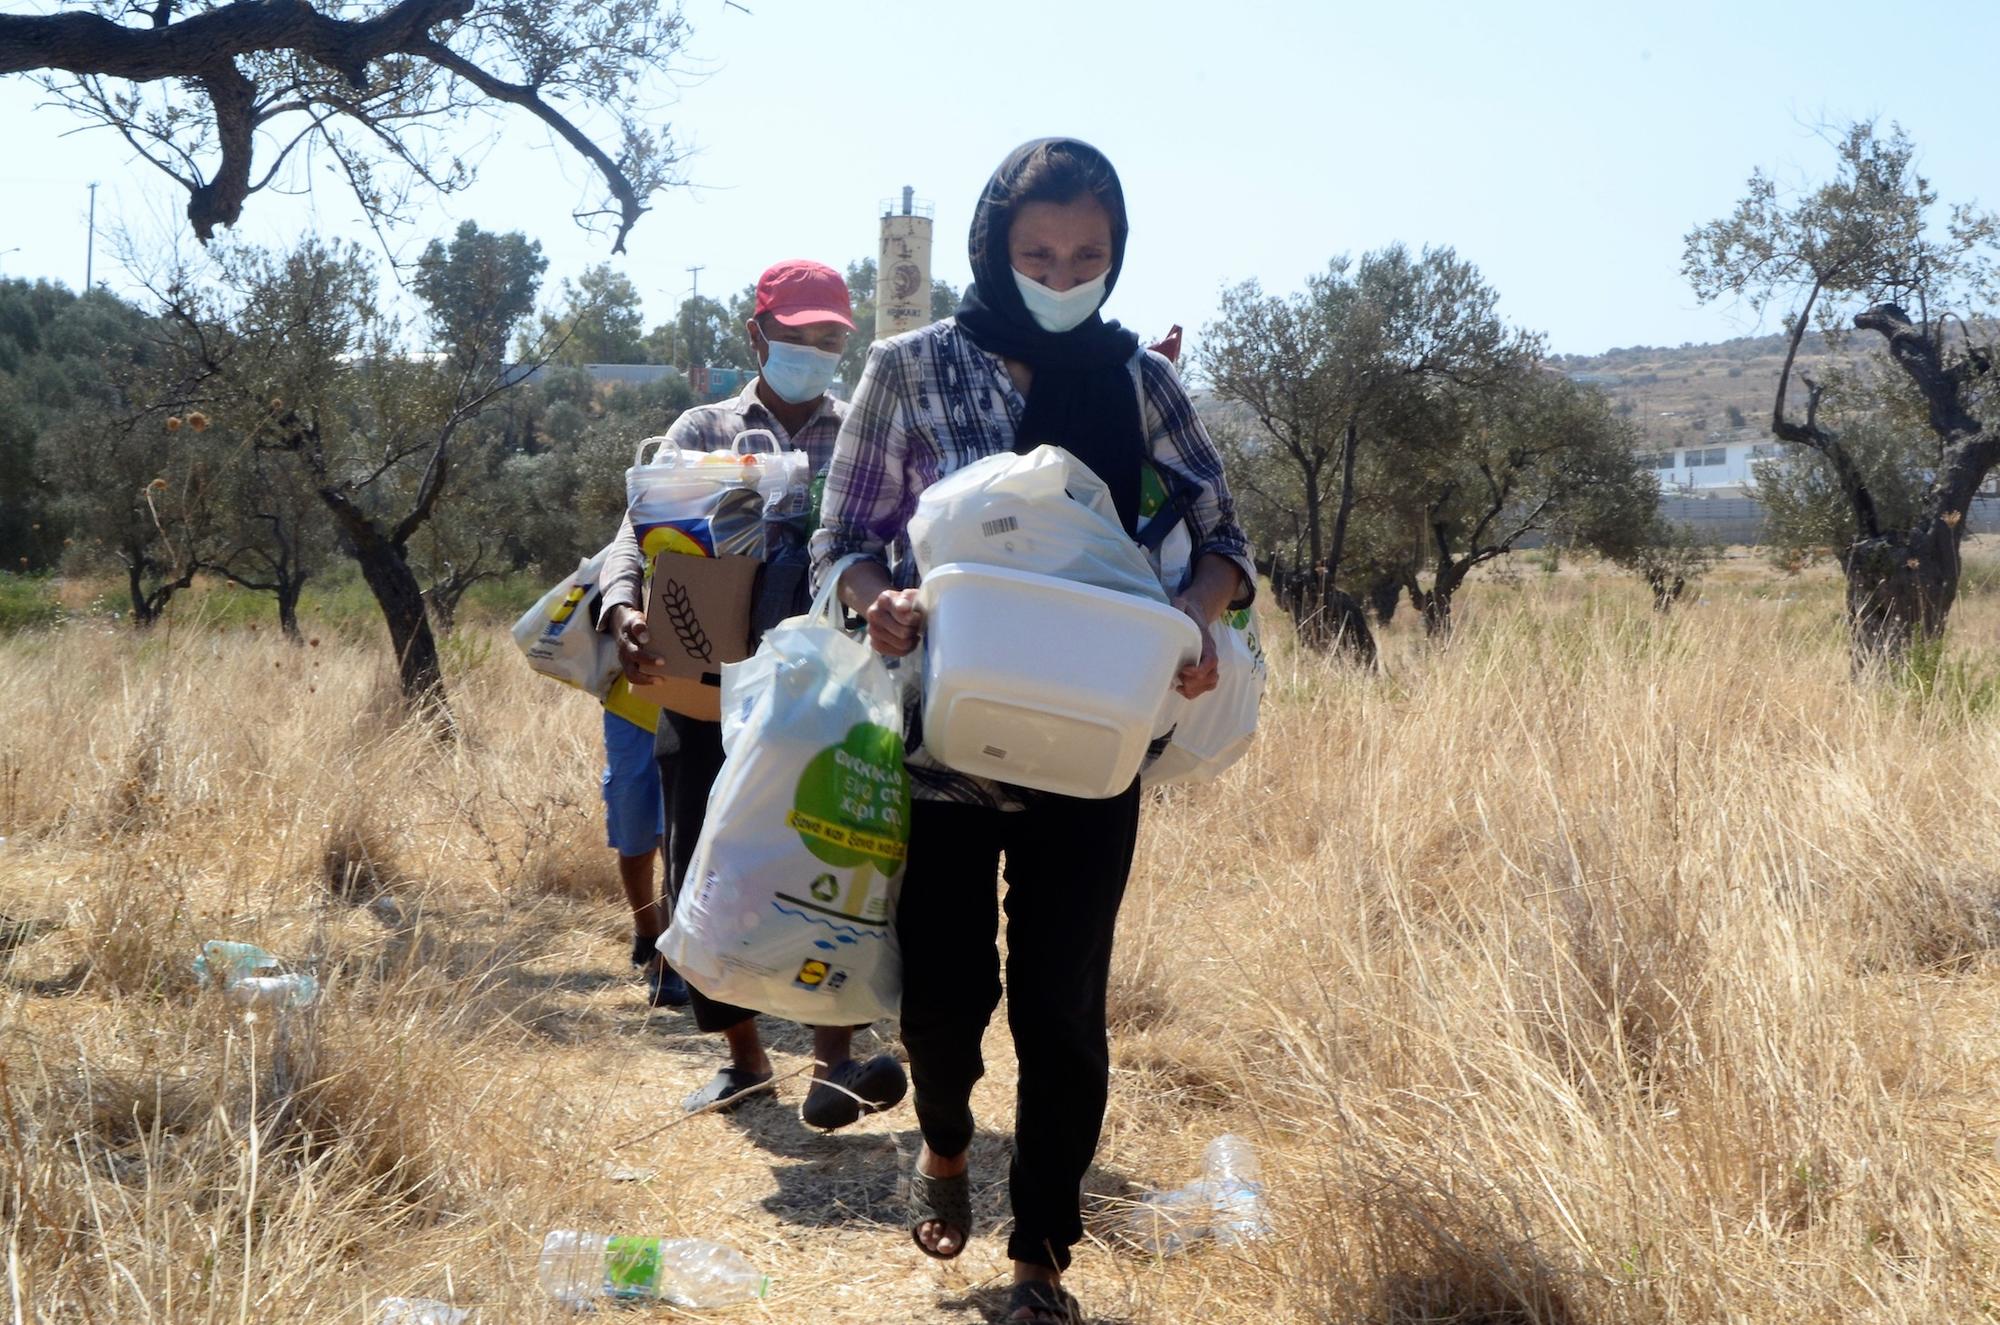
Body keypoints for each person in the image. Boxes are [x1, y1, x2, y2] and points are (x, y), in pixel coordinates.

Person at [811, 140, 1254, 1324]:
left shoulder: (1135, 381)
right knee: (945, 1006)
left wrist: (1188, 620)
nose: (1064, 274)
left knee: (1062, 1008)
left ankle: (1039, 1260)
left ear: (1117, 256)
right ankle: (947, 1142)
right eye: (1037, 253)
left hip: (1092, 750)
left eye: (1087, 255)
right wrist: (879, 599)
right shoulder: (909, 367)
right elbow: (838, 536)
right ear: (993, 251)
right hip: (941, 750)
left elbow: (1224, 537)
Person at [597, 259, 909, 1130]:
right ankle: (743, 1060)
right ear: (757, 335)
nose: (814, 350)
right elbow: (636, 532)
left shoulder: (859, 433)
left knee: (829, 860)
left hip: (821, 694)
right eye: (799, 335)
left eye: (830, 339)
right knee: (706, 866)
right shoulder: (704, 425)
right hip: (707, 685)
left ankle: (836, 1064)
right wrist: (623, 607)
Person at [600, 697, 686, 1007]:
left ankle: (668, 961)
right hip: (629, 708)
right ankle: (648, 932)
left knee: (675, 838)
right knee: (633, 839)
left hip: (693, 710)